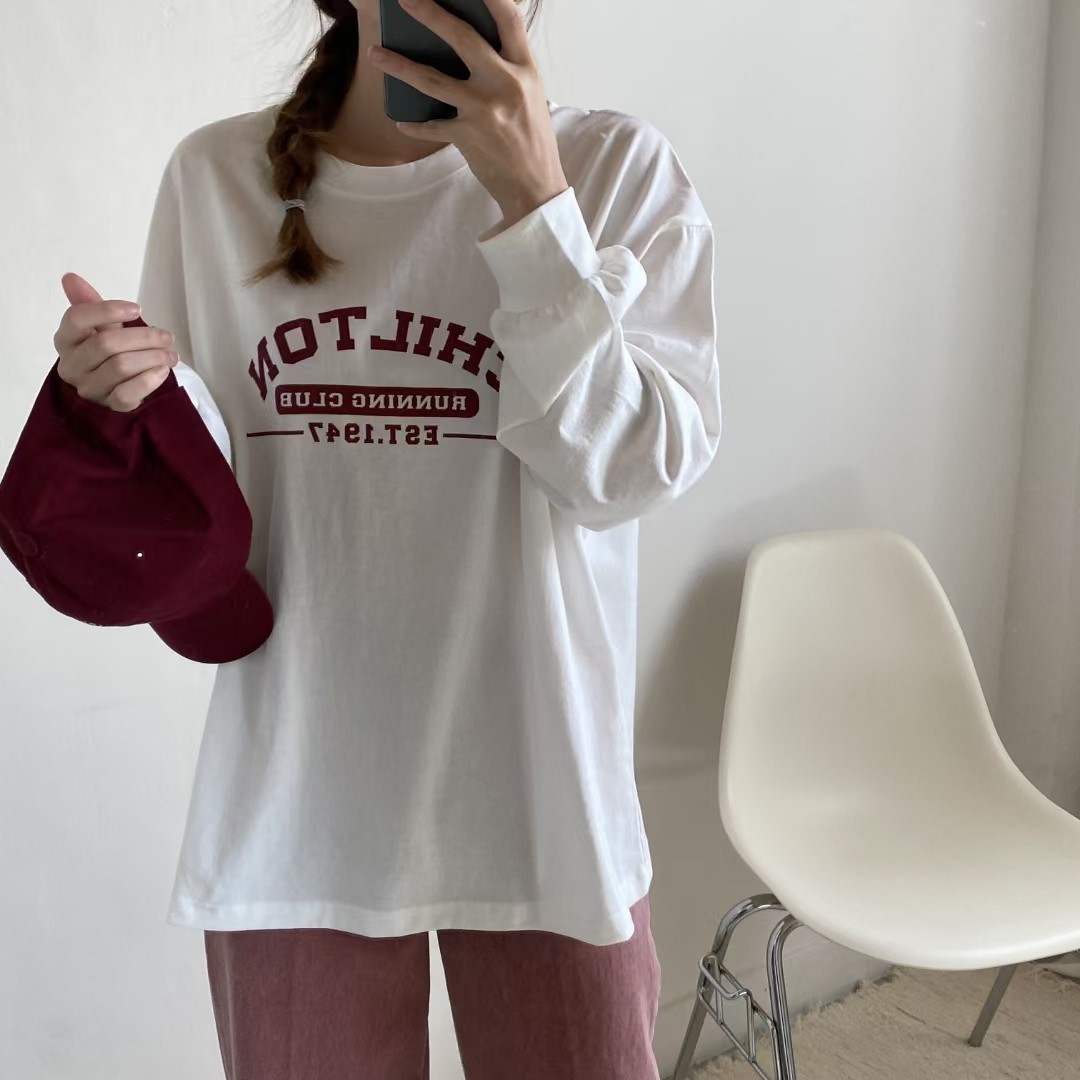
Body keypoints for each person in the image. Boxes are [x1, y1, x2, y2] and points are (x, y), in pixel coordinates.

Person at [51, 0, 722, 1075]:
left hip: (543, 792)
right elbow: (205, 501)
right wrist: (124, 397)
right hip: (298, 800)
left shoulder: (614, 171)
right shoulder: (217, 180)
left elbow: (629, 473)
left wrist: (534, 206)